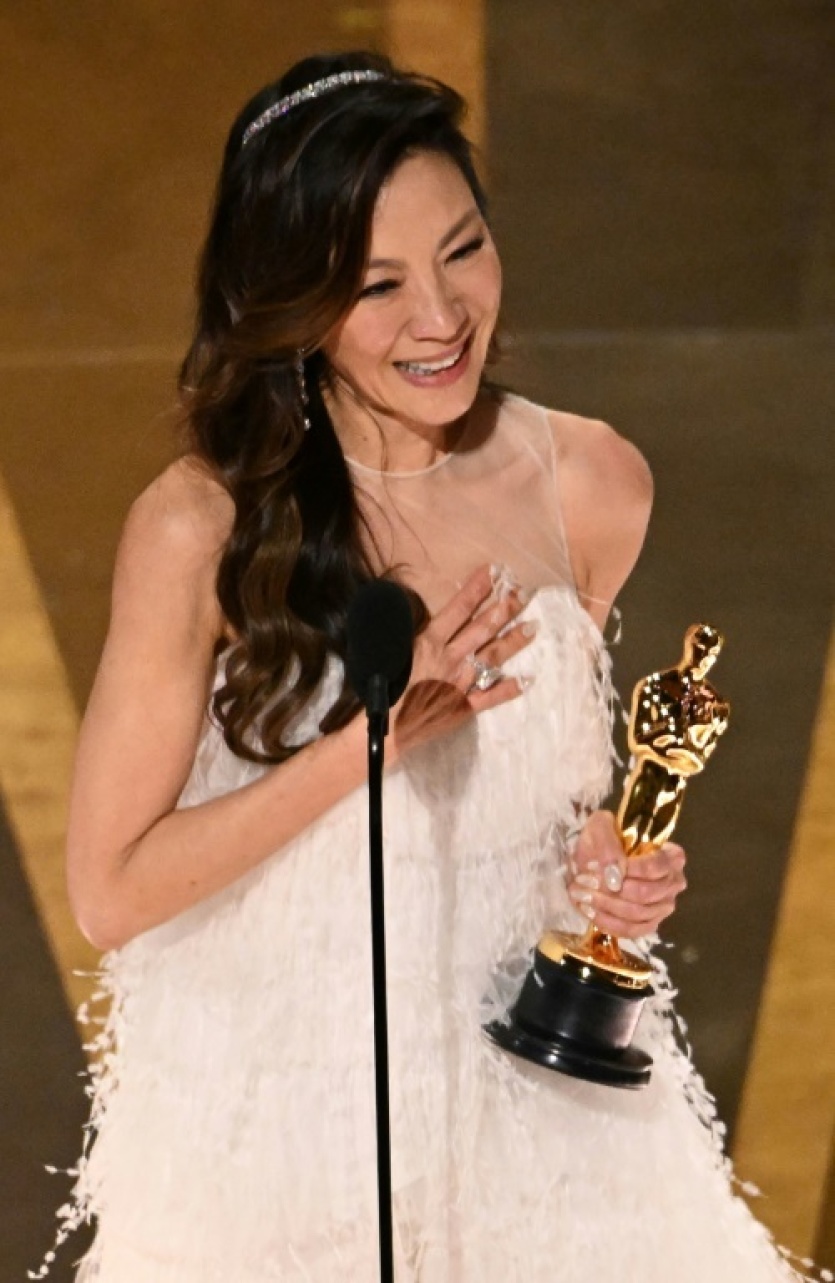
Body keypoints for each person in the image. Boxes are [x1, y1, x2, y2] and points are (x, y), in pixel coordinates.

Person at [51, 49, 806, 1283]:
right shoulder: (201, 525)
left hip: (542, 1137)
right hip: (283, 1144)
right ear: (292, 301)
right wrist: (371, 744)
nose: (442, 316)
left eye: (463, 251)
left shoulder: (590, 483)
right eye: (377, 285)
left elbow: (544, 809)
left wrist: (605, 869)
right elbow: (112, 889)